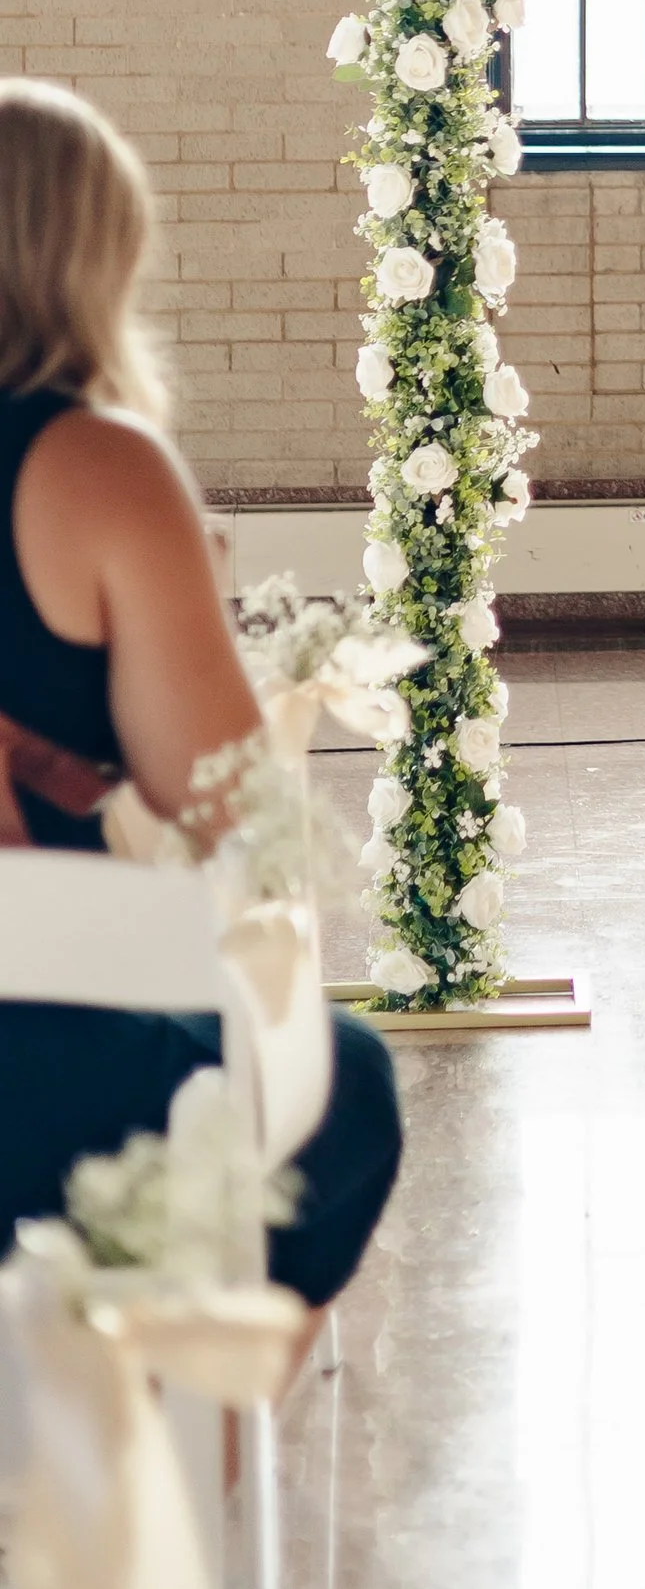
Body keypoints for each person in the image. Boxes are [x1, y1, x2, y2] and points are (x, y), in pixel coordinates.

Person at [0, 81, 403, 1336]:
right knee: (351, 1087)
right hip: (41, 1073)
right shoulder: (95, 468)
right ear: (91, 258)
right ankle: (144, 1454)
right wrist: (203, 625)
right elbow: (233, 809)